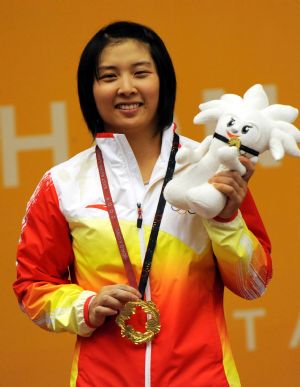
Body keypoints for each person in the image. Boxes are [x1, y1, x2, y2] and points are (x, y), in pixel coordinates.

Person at [13, 21, 272, 386]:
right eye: (108, 76)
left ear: (162, 81)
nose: (126, 88)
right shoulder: (63, 184)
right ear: (90, 90)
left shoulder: (209, 168)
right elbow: (32, 288)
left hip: (203, 377)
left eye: (140, 73)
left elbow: (254, 284)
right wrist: (84, 306)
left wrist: (227, 220)